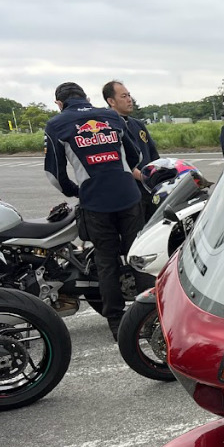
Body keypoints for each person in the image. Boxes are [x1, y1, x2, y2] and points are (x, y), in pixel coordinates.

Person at [43, 81, 144, 340]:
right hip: (128, 196)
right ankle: (151, 314)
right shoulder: (111, 116)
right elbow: (135, 156)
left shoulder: (56, 124)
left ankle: (117, 323)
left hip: (96, 202)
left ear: (59, 103)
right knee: (139, 256)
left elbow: (54, 174)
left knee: (106, 261)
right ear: (86, 98)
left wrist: (76, 191)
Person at [103, 80, 160, 220]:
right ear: (111, 101)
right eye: (124, 96)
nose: (129, 99)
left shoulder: (138, 125)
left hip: (150, 190)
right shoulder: (107, 128)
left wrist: (158, 175)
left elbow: (153, 154)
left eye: (129, 95)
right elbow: (118, 161)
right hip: (130, 194)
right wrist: (143, 178)